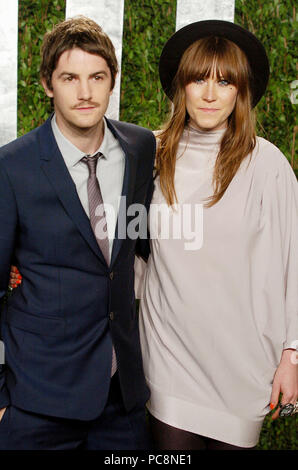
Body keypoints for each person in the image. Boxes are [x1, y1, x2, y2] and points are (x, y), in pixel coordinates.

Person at [134, 20, 298, 450]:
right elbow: (117, 242)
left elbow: (293, 262)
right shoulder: (148, 155)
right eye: (198, 79)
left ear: (240, 92)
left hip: (245, 363)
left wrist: (292, 354)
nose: (210, 94)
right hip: (170, 357)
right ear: (181, 87)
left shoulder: (267, 164)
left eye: (225, 82)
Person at [0, 16, 155, 450]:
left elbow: (135, 243)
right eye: (70, 77)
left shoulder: (140, 148)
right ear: (49, 85)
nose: (85, 92)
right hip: (37, 401)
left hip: (121, 399)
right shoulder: (11, 167)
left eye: (97, 77)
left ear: (112, 82)